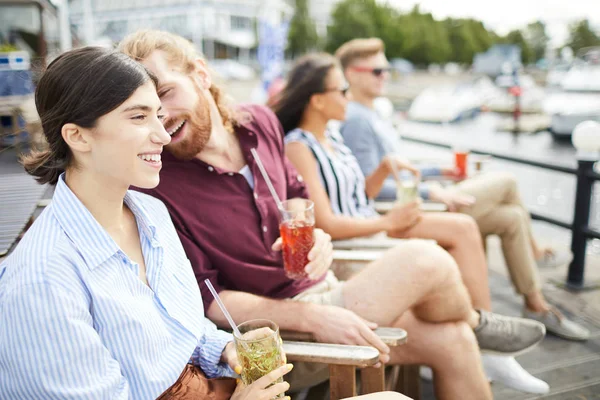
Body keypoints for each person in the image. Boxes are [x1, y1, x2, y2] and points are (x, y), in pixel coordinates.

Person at [119, 30, 547, 400]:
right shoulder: (156, 183)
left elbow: (299, 196)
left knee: (452, 341)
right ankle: (480, 325)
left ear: (201, 74)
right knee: (428, 259)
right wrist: (313, 317)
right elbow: (205, 300)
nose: (162, 118)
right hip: (278, 332)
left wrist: (320, 239)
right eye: (146, 109)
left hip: (327, 288)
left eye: (166, 94)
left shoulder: (261, 123)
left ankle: (473, 335)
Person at [0, 46, 293, 400]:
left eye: (158, 114)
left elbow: (181, 328)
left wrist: (224, 349)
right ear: (78, 136)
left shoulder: (151, 212)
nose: (163, 135)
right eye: (138, 117)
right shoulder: (43, 279)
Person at [274, 52, 550, 394]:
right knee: (458, 231)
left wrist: (383, 168)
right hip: (357, 240)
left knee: (462, 228)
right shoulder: (299, 147)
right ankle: (485, 337)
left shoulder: (333, 137)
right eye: (341, 90)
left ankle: (484, 337)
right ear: (317, 100)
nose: (348, 96)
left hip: (370, 223)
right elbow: (328, 221)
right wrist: (388, 220)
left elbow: (358, 194)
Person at [334, 38, 589, 342]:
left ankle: (536, 305)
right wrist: (433, 192)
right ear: (351, 74)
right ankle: (534, 259)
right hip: (403, 212)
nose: (385, 75)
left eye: (386, 69)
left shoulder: (372, 114)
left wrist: (436, 171)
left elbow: (396, 169)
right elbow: (367, 189)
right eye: (377, 70)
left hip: (415, 203)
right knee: (506, 181)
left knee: (510, 218)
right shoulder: (357, 120)